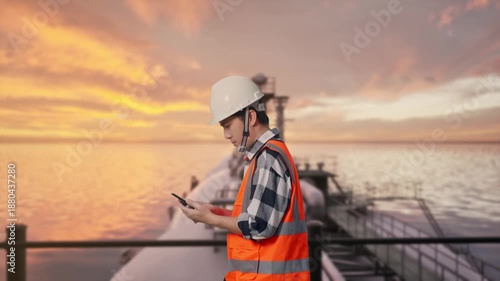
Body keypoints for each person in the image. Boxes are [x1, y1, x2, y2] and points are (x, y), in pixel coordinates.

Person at [178, 76, 310, 281]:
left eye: (227, 125)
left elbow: (259, 227)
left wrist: (209, 219)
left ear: (250, 118)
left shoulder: (268, 158)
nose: (226, 135)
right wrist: (216, 211)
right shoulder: (265, 156)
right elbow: (260, 214)